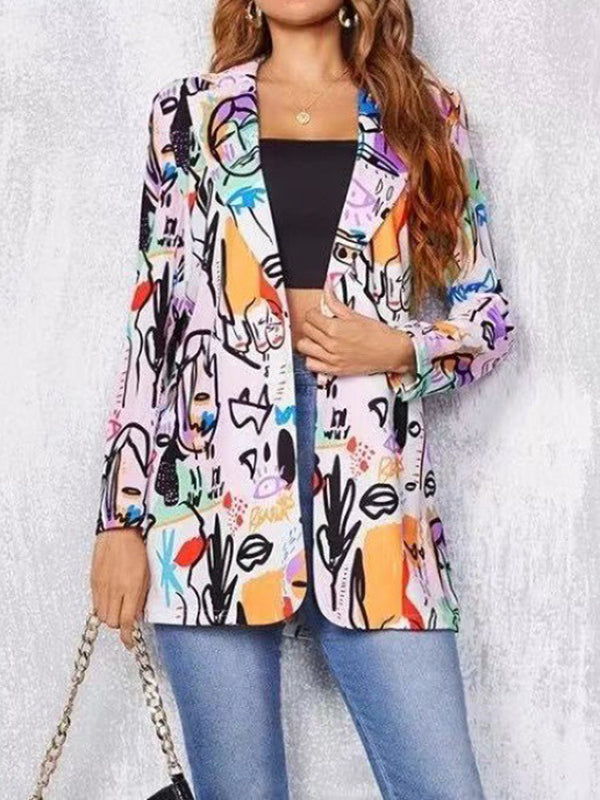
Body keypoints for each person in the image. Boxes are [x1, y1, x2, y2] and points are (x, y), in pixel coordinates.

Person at [90, 1, 516, 797]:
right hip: (209, 498)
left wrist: (398, 347)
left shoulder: (427, 114)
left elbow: (490, 317)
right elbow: (153, 322)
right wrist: (119, 518)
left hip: (376, 494)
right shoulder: (187, 114)